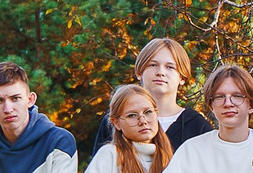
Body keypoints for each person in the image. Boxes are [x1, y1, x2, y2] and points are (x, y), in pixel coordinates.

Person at [82, 38, 211, 157]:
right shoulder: (117, 120)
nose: (160, 72)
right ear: (139, 72)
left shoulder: (197, 127)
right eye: (153, 65)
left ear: (182, 77)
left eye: (170, 67)